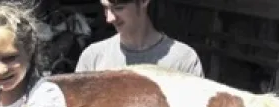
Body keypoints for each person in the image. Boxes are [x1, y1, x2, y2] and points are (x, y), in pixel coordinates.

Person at [75, 0, 203, 76]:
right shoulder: (93, 57)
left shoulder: (183, 60)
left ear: (144, 1)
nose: (109, 18)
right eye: (105, 8)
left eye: (118, 8)